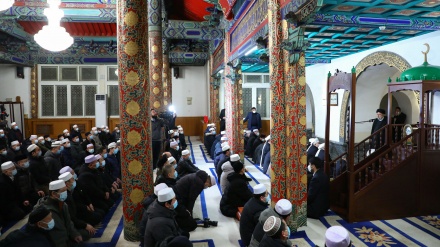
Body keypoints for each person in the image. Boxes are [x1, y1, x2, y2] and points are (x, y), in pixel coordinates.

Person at [41, 180, 83, 247]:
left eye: (66, 190)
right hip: (56, 241)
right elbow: (55, 233)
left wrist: (74, 234)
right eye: (63, 191)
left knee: (84, 235)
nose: (65, 193)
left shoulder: (63, 204)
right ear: (54, 194)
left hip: (66, 234)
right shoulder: (46, 211)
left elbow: (69, 222)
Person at [58, 172, 95, 241]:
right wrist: (85, 225)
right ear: (67, 183)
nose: (74, 180)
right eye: (72, 179)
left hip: (75, 218)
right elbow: (70, 218)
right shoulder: (65, 198)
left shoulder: (69, 193)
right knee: (87, 233)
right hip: (69, 226)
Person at [0, 161, 32, 226]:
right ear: (5, 172)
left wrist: (23, 200)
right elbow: (3, 201)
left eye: (14, 168)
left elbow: (18, 191)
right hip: (8, 205)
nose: (14, 170)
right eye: (12, 169)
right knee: (19, 214)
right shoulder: (2, 182)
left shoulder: (14, 176)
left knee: (29, 207)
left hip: (16, 200)